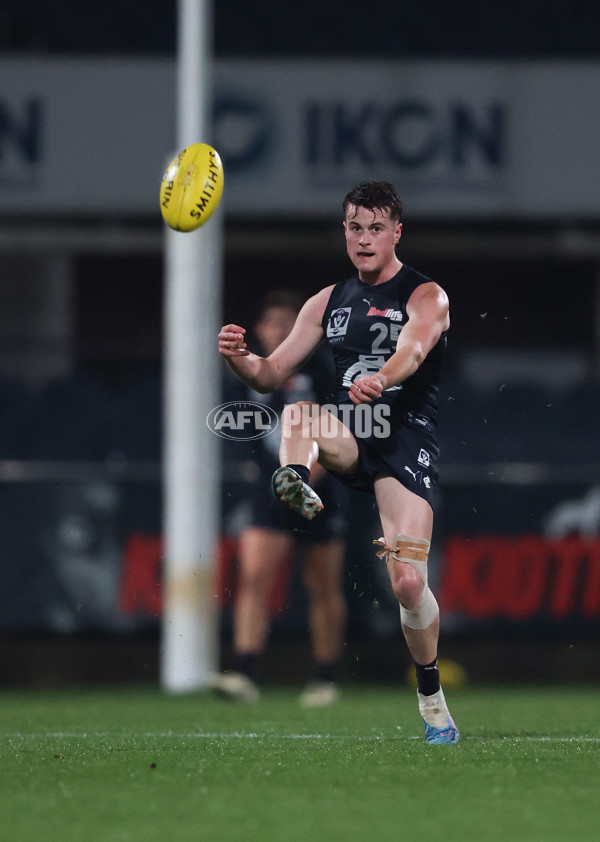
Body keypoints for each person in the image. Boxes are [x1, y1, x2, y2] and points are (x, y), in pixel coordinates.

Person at [218, 181, 460, 743]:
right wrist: (239, 358)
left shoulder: (427, 294)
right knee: (300, 411)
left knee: (404, 582)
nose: (364, 238)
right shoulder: (326, 301)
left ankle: (431, 695)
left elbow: (415, 349)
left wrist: (383, 376)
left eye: (376, 227)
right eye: (355, 226)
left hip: (404, 440)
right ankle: (297, 481)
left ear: (397, 232)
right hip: (353, 429)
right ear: (344, 232)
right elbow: (269, 375)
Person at [212, 290, 348, 706]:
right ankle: (246, 672)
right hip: (270, 488)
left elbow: (339, 427)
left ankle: (325, 678)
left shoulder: (321, 370)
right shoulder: (249, 373)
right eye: (274, 324)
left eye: (290, 325)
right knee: (254, 578)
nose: (281, 331)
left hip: (317, 485)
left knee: (322, 584)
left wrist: (307, 479)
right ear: (261, 330)